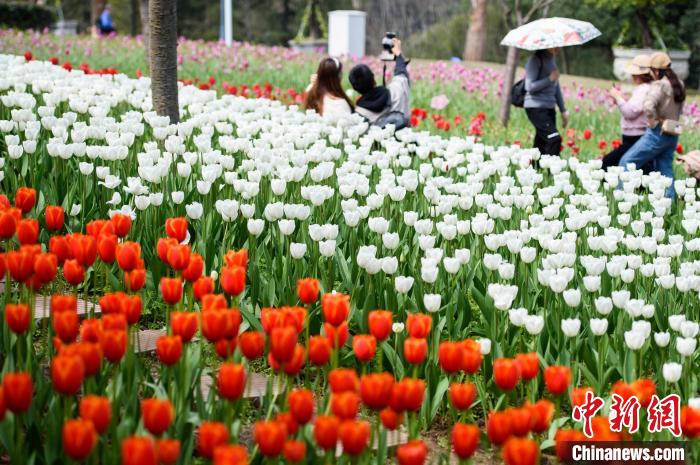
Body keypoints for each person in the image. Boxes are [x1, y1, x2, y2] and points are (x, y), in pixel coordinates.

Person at [618, 52, 686, 198]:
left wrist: (653, 121)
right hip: (673, 133)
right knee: (665, 170)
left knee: (627, 161)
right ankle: (669, 205)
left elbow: (648, 105)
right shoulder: (679, 84)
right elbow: (680, 109)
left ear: (656, 70)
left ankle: (621, 198)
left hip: (657, 133)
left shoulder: (659, 85)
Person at [602, 54, 654, 172]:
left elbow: (630, 113)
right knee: (637, 167)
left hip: (635, 136)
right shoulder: (646, 88)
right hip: (635, 135)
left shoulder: (644, 89)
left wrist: (617, 97)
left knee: (607, 163)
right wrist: (620, 100)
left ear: (638, 74)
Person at [348, 38, 410, 129]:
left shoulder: (359, 114)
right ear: (374, 80)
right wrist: (398, 54)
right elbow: (401, 74)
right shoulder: (397, 91)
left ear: (354, 88)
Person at [523, 48, 569, 156]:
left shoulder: (551, 59)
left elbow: (555, 87)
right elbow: (529, 86)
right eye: (555, 45)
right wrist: (550, 78)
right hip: (536, 107)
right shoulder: (535, 60)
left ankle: (534, 170)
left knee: (541, 144)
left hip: (549, 107)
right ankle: (553, 169)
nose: (558, 47)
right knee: (554, 139)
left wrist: (563, 110)